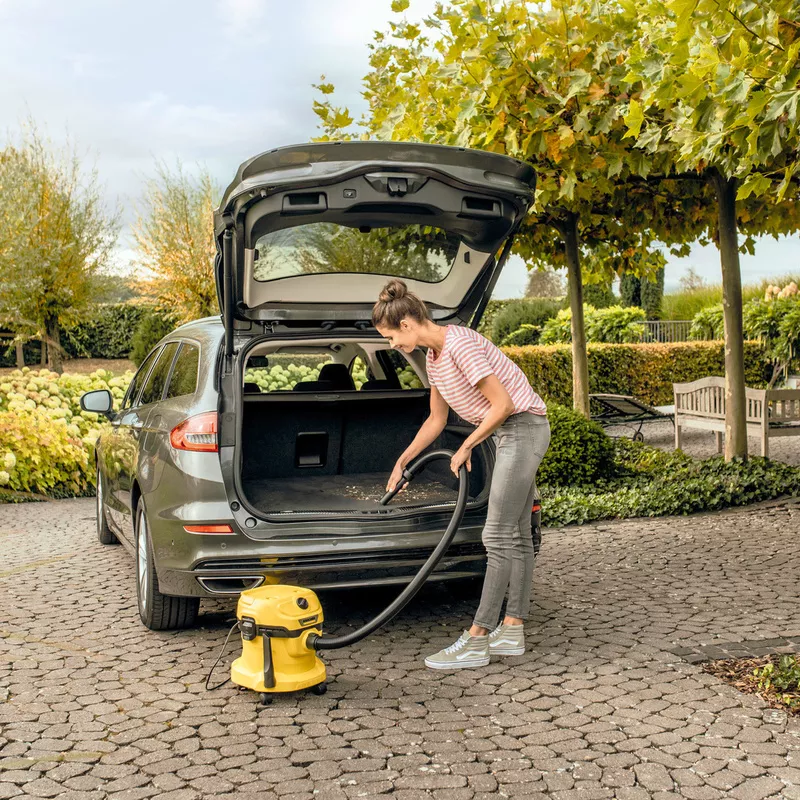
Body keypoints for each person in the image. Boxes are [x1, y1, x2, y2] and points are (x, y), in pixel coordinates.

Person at [371, 279, 550, 670]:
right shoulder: (435, 359)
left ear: (406, 324)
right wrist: (404, 460)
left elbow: (502, 404)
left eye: (389, 337)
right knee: (517, 533)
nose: (392, 346)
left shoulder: (461, 345)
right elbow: (437, 420)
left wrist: (467, 445)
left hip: (522, 427)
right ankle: (513, 629)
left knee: (497, 534)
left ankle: (477, 638)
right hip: (508, 432)